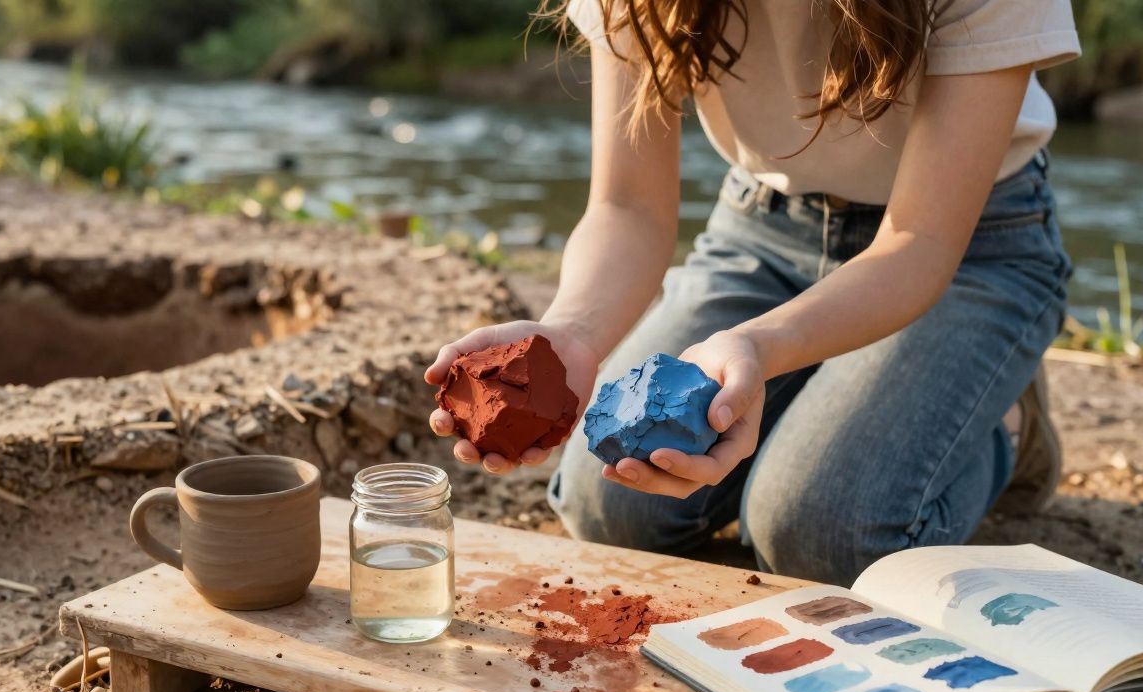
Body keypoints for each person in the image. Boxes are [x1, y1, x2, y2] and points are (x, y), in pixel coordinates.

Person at [425, 0, 1079, 586]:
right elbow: (628, 208)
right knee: (612, 503)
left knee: (820, 536)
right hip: (764, 229)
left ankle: (1004, 426)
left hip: (965, 242)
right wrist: (572, 331)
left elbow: (920, 242)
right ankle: (825, 394)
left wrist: (758, 346)